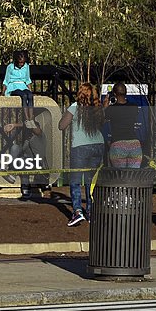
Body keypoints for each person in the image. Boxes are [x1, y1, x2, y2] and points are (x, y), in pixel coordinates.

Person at [59, 83, 104, 226]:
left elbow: (61, 125)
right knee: (92, 182)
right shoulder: (98, 108)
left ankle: (77, 211)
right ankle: (91, 211)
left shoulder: (75, 106)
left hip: (80, 146)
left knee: (75, 180)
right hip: (98, 145)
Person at [104, 82, 142, 168]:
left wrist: (105, 107)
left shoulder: (111, 109)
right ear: (126, 92)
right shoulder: (134, 107)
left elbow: (102, 121)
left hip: (118, 144)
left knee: (120, 177)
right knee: (133, 177)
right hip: (134, 145)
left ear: (114, 94)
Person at [3, 50, 34, 122]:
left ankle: (31, 118)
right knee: (24, 96)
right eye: (20, 62)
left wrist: (30, 90)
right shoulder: (10, 67)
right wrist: (3, 92)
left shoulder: (26, 66)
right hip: (13, 86)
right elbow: (6, 80)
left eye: (23, 62)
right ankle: (26, 118)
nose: (21, 64)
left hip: (23, 85)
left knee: (29, 95)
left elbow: (27, 79)